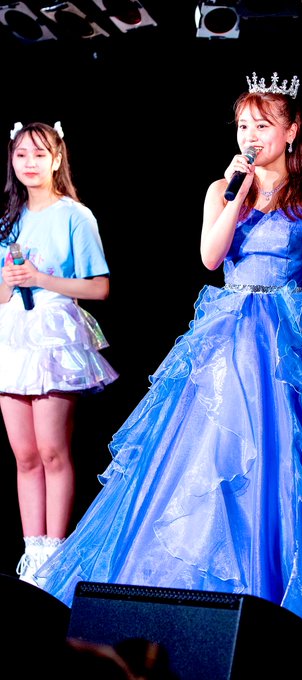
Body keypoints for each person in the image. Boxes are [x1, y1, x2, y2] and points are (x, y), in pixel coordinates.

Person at [37, 74, 302, 658]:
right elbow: (210, 258)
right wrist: (236, 193)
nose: (251, 135)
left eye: (263, 124)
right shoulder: (222, 187)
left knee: (301, 460)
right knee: (213, 455)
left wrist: (286, 294)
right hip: (228, 336)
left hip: (291, 333)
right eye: (243, 125)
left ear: (292, 129)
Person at [0, 121, 118, 586]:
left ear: (56, 159)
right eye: (21, 154)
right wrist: (9, 281)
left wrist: (40, 279)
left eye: (39, 154)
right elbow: (3, 294)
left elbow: (100, 288)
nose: (29, 163)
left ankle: (55, 556)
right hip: (13, 335)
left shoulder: (75, 215)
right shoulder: (8, 218)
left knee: (52, 450)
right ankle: (32, 556)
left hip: (55, 332)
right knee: (25, 455)